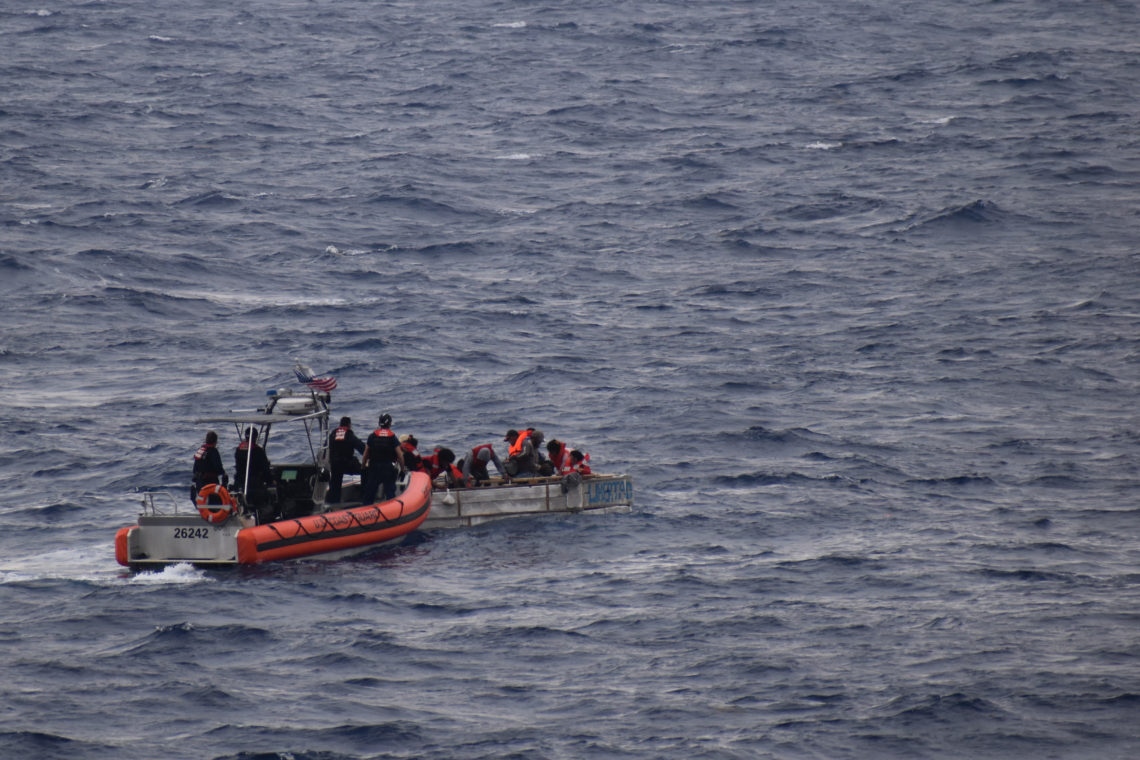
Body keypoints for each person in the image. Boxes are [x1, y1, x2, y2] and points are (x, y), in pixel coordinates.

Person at [361, 413, 404, 504]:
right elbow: (400, 456)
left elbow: (365, 454)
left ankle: (365, 510)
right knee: (390, 494)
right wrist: (402, 470)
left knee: (369, 494)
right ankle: (391, 510)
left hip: (374, 468)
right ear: (389, 423)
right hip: (387, 468)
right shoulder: (392, 437)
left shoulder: (372, 436)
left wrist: (363, 467)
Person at [235, 428, 276, 521]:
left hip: (240, 483)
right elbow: (265, 470)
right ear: (255, 437)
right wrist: (271, 481)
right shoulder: (258, 451)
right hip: (255, 486)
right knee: (271, 496)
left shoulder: (238, 450)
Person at [327, 416, 365, 504]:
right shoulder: (349, 434)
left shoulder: (332, 434)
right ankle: (364, 496)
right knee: (365, 471)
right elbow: (361, 448)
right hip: (347, 464)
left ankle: (333, 503)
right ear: (349, 425)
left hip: (334, 465)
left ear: (340, 424)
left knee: (335, 481)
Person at [190, 430, 228, 503]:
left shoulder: (200, 451)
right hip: (210, 483)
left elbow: (194, 470)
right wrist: (224, 474)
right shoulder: (213, 451)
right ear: (215, 442)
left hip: (199, 484)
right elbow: (218, 467)